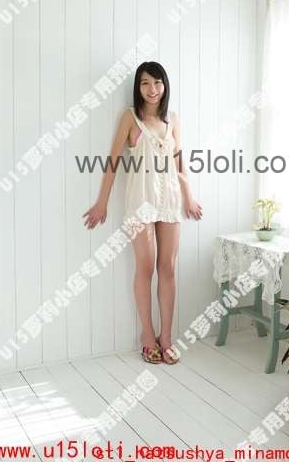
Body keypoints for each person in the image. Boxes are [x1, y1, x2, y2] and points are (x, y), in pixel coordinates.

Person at [82, 61, 202, 364]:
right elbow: (113, 162)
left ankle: (166, 337)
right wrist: (101, 202)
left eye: (157, 82)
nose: (152, 89)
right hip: (141, 202)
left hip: (170, 201)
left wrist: (189, 196)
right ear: (138, 87)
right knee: (146, 267)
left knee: (168, 268)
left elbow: (179, 164)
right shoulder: (130, 118)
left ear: (165, 86)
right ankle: (147, 336)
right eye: (145, 83)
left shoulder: (173, 120)